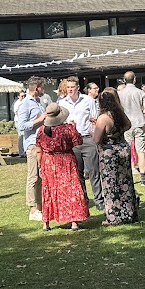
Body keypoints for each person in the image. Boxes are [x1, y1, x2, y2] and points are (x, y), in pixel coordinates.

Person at [36, 103, 89, 232]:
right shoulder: (68, 128)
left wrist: (40, 165)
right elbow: (78, 141)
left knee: (49, 190)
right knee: (70, 189)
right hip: (66, 160)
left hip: (48, 161)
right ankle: (74, 222)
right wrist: (74, 127)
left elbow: (39, 150)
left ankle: (46, 223)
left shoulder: (41, 130)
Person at [93, 90, 138, 225]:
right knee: (125, 182)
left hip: (109, 152)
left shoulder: (103, 118)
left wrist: (93, 130)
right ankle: (129, 212)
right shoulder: (119, 114)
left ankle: (114, 216)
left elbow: (96, 139)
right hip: (123, 148)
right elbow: (128, 125)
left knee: (111, 184)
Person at [59, 77, 102, 208]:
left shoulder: (88, 100)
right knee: (78, 173)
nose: (70, 89)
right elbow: (59, 122)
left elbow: (95, 120)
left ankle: (99, 200)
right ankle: (83, 200)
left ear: (78, 87)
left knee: (94, 171)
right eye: (68, 87)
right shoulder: (62, 102)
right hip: (72, 142)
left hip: (87, 138)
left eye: (72, 87)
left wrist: (95, 138)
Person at [15, 76, 47, 222]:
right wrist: (39, 120)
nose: (43, 90)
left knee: (41, 176)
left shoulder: (39, 102)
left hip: (42, 142)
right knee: (33, 176)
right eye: (42, 87)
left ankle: (40, 206)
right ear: (37, 87)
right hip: (32, 144)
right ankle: (32, 209)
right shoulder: (25, 104)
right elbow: (21, 126)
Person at [117, 71, 145, 186]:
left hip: (126, 124)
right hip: (139, 123)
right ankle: (143, 178)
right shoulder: (140, 93)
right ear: (134, 79)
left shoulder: (120, 93)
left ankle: (130, 174)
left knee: (127, 150)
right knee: (141, 151)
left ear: (124, 80)